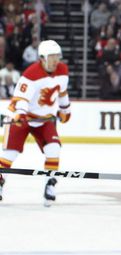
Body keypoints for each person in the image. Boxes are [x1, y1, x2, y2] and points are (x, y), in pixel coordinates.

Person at [0, 40, 71, 206]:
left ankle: (50, 184)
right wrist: (21, 115)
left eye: (57, 56)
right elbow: (20, 100)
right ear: (42, 58)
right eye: (52, 56)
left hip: (44, 119)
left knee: (54, 148)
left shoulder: (62, 70)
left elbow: (62, 92)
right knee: (9, 154)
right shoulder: (30, 75)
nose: (55, 60)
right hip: (21, 117)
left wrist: (65, 109)